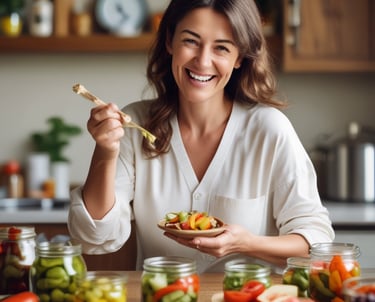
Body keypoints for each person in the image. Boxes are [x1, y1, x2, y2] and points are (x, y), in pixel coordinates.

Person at [68, 0, 334, 273]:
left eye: (221, 47)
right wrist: (106, 150)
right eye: (191, 41)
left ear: (239, 56)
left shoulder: (269, 130)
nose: (203, 61)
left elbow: (316, 246)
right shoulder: (136, 126)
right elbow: (94, 238)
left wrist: (246, 243)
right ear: (170, 41)